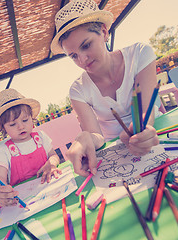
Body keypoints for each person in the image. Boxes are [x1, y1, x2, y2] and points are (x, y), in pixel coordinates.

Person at [50, 0, 159, 177]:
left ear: (103, 31)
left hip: (156, 136)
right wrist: (86, 139)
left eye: (86, 45)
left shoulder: (140, 54)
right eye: (73, 56)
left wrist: (142, 129)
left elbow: (146, 111)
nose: (82, 60)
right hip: (116, 155)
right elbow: (96, 135)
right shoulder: (77, 90)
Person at [0, 89, 62, 207]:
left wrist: (51, 163)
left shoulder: (41, 137)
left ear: (31, 118)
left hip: (51, 190)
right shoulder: (4, 150)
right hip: (22, 203)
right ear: (4, 128)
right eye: (12, 124)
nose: (21, 126)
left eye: (25, 120)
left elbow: (53, 155)